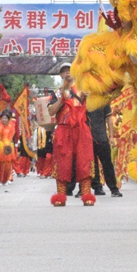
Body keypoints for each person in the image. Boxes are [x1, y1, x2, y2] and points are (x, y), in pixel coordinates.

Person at [47, 63, 95, 207]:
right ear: (61, 75)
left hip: (81, 129)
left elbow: (94, 105)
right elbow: (50, 112)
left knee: (84, 161)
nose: (67, 73)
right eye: (64, 71)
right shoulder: (56, 93)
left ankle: (86, 194)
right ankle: (61, 196)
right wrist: (62, 98)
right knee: (62, 163)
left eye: (70, 70)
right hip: (63, 130)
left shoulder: (83, 89)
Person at [89, 101, 122, 198]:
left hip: (102, 137)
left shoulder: (103, 101)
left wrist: (111, 136)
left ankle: (113, 188)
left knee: (107, 164)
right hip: (88, 138)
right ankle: (97, 187)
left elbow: (109, 120)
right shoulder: (85, 101)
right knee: (92, 164)